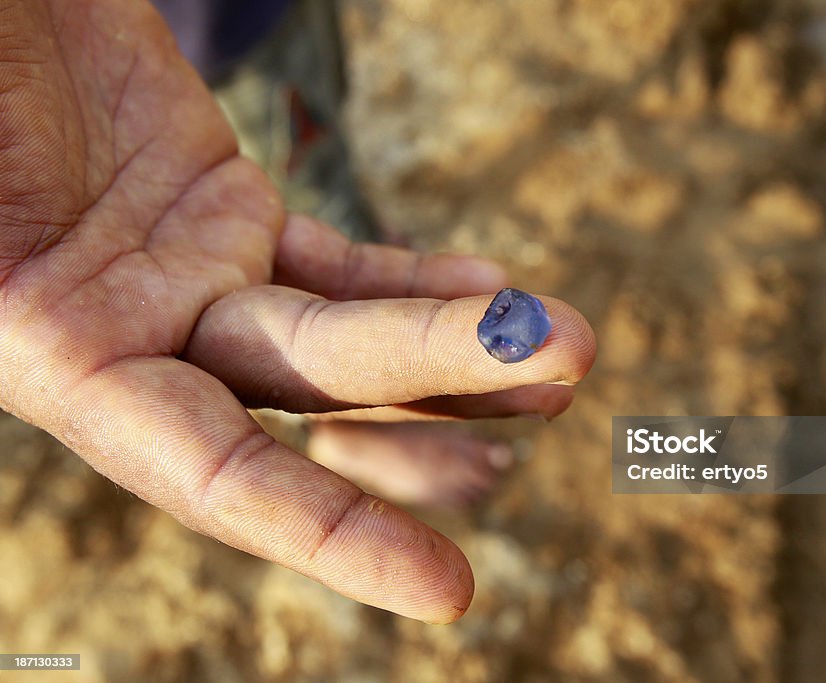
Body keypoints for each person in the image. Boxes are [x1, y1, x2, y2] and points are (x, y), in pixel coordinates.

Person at [0, 0, 596, 623]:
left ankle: (360, 245)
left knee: (320, 126)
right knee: (304, 180)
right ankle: (344, 423)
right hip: (182, 46)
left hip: (250, 19)